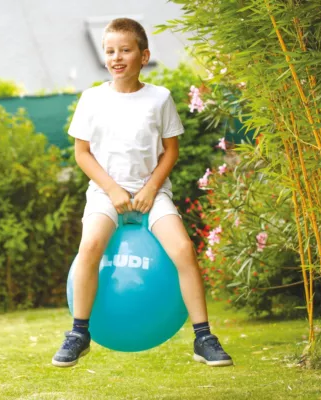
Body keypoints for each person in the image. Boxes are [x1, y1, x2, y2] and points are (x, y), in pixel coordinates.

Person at [52, 18, 233, 368]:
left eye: (125, 50)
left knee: (183, 249)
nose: (117, 57)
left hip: (152, 195)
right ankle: (78, 333)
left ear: (143, 54)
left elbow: (171, 151)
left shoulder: (160, 98)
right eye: (110, 51)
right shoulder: (91, 99)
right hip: (106, 195)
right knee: (89, 247)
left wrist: (150, 189)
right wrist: (113, 190)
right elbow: (82, 154)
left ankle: (203, 337)